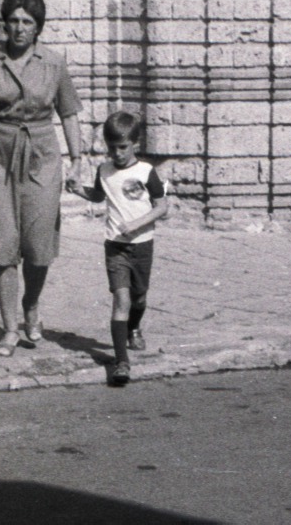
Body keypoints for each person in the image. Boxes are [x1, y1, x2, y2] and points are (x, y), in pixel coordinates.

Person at [0, 0, 84, 357]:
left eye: (27, 22)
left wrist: (78, 160)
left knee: (39, 245)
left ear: (38, 27)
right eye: (13, 21)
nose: (19, 28)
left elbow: (69, 113)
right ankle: (10, 327)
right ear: (4, 24)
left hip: (41, 154)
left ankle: (31, 306)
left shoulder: (54, 64)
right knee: (1, 242)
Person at [67, 110, 170, 387]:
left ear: (134, 143)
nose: (117, 153)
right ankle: (121, 362)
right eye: (112, 148)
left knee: (139, 298)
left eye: (122, 147)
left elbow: (162, 206)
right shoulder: (104, 170)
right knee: (121, 300)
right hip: (115, 246)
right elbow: (100, 195)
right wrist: (79, 190)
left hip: (141, 246)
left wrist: (137, 224)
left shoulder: (146, 172)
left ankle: (134, 326)